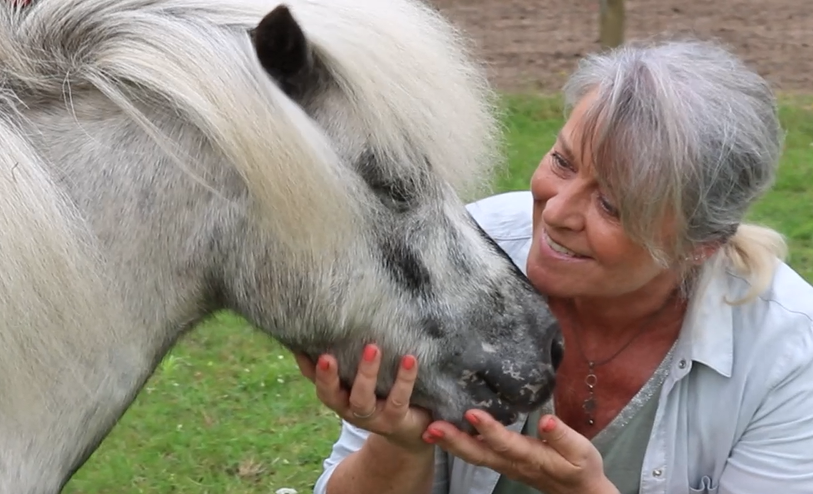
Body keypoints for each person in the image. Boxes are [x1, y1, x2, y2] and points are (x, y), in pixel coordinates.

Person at [296, 38, 813, 494]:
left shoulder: (788, 355)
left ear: (699, 244)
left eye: (612, 204)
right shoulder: (456, 255)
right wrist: (401, 444)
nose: (557, 212)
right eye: (563, 162)